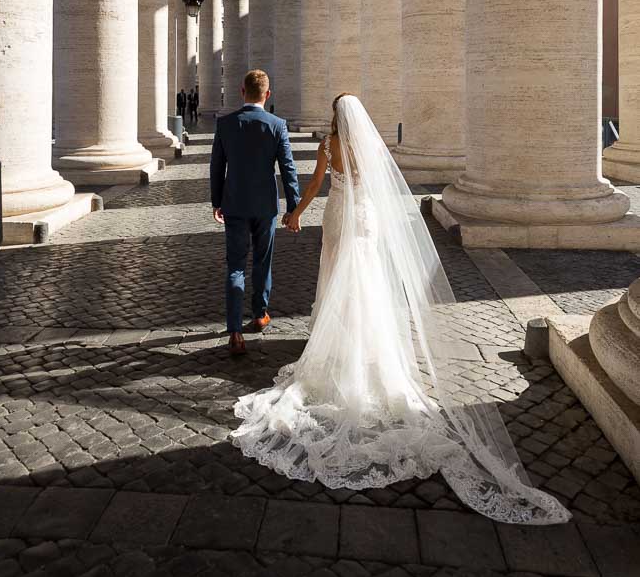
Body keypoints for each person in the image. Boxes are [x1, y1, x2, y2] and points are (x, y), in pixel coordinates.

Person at [231, 93, 571, 525]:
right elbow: (381, 188)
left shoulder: (328, 146)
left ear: (335, 117)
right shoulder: (368, 147)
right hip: (366, 217)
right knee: (366, 280)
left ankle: (338, 341)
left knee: (337, 276)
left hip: (339, 215)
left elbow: (317, 184)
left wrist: (296, 211)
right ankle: (370, 344)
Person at [210, 69, 301, 356]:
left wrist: (216, 201)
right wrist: (293, 206)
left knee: (235, 265)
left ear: (242, 91)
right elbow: (288, 168)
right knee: (262, 260)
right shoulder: (277, 124)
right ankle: (260, 313)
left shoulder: (225, 124)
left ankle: (235, 331)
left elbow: (216, 167)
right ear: (267, 94)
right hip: (265, 205)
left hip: (234, 203)